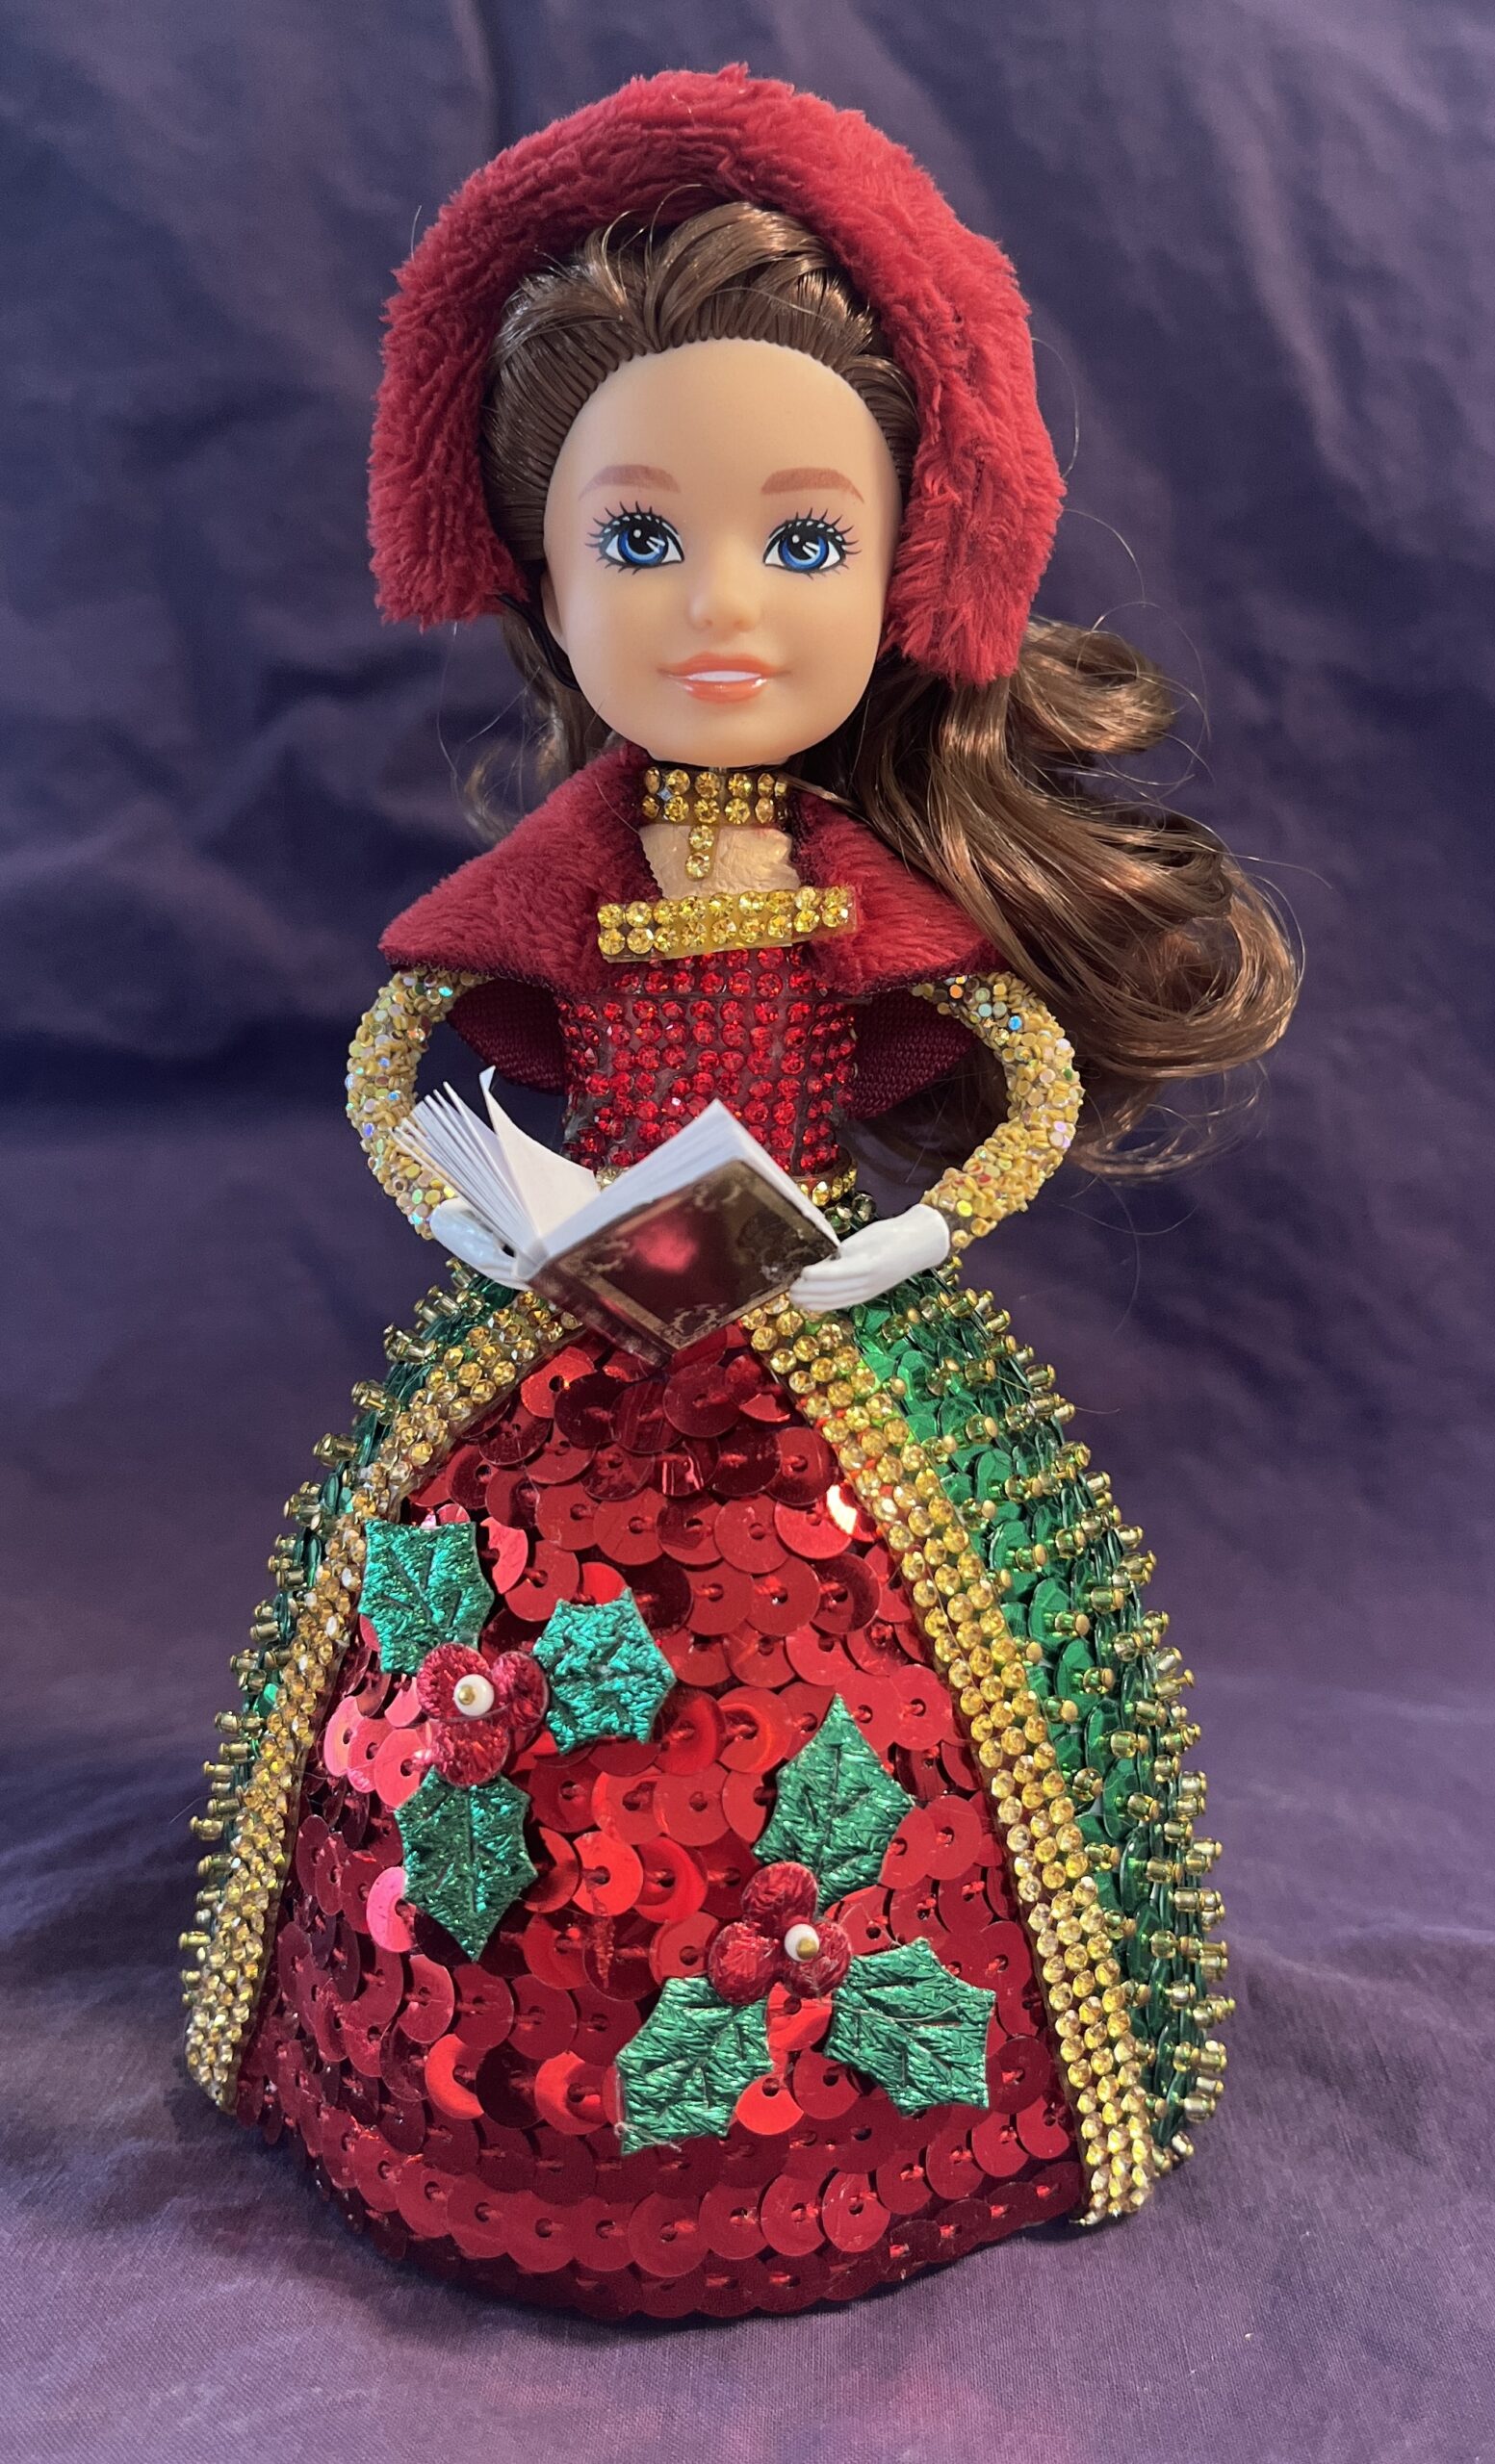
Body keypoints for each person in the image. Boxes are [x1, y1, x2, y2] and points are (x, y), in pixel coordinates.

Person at [183, 68, 1295, 2319]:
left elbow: (1015, 1063)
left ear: (905, 570)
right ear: (537, 565)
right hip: (574, 1307)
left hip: (824, 1324)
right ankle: (460, 2068)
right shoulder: (573, 871)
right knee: (495, 1659)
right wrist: (480, 1215)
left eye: (801, 545)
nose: (719, 610)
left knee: (879, 1679)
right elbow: (405, 1044)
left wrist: (903, 1235)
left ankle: (910, 2080)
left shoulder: (852, 876)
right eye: (638, 541)